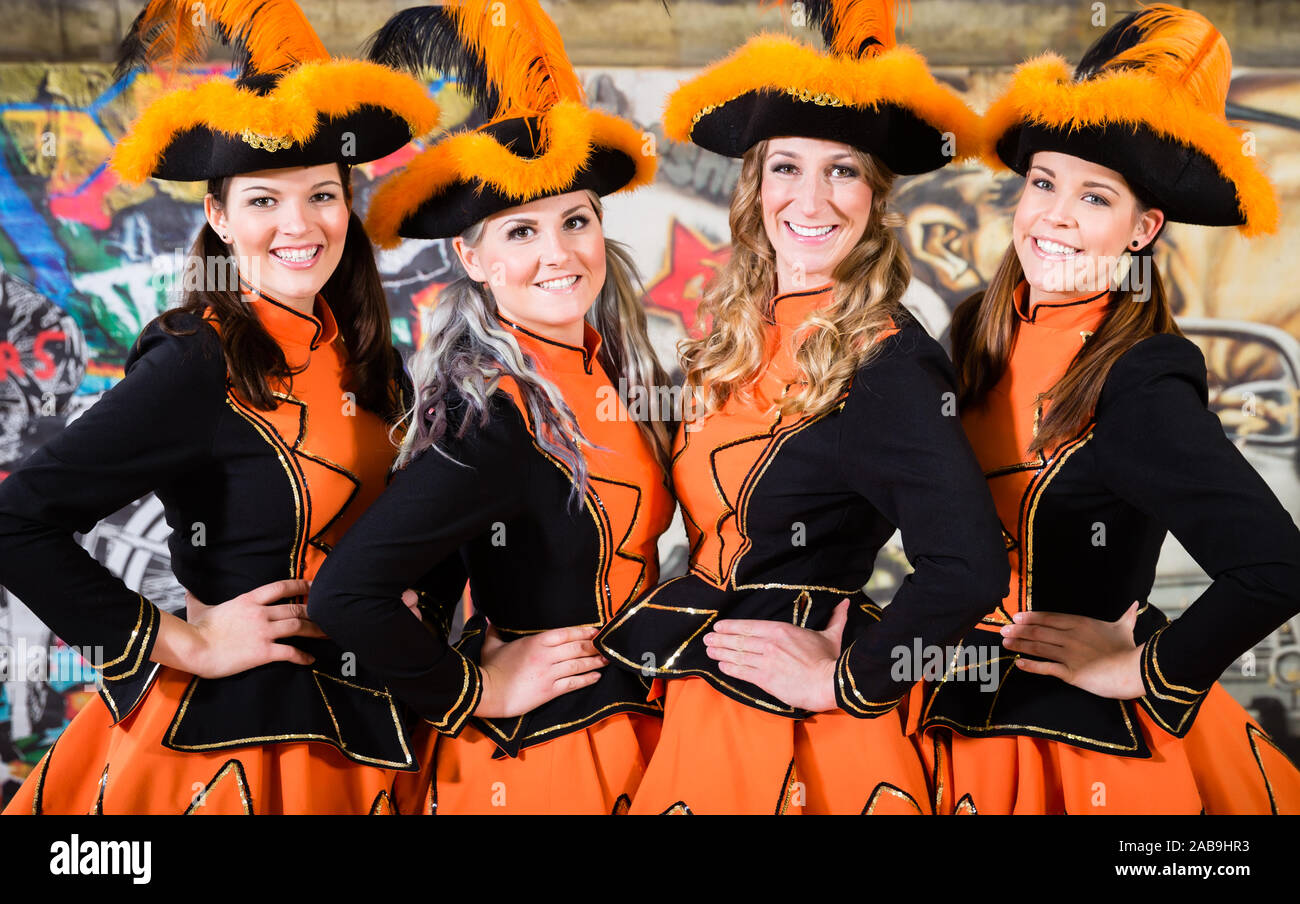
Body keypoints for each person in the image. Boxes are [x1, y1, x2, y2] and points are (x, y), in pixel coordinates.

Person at [0, 0, 440, 814]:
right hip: (242, 744)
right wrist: (189, 643)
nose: (299, 225)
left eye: (321, 195)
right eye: (264, 201)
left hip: (384, 730)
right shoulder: (197, 360)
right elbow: (18, 520)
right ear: (218, 217)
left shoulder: (377, 363)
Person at [592, 0, 1009, 814]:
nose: (810, 199)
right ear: (756, 185)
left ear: (876, 196)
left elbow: (969, 568)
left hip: (796, 732)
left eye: (843, 170)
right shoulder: (734, 335)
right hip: (688, 683)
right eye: (787, 167)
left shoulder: (891, 361)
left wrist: (847, 679)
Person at [924, 3, 1300, 814]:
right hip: (939, 687)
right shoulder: (971, 336)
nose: (1055, 215)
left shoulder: (1139, 378)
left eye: (1096, 199)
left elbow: (1277, 566)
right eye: (1044, 183)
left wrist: (1140, 667)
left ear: (1143, 229)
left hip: (1063, 731)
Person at [307, 0, 674, 815]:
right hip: (547, 760)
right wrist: (475, 691)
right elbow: (347, 595)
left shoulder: (613, 366)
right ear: (471, 256)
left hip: (645, 726)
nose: (558, 254)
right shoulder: (492, 412)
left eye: (574, 221)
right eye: (519, 233)